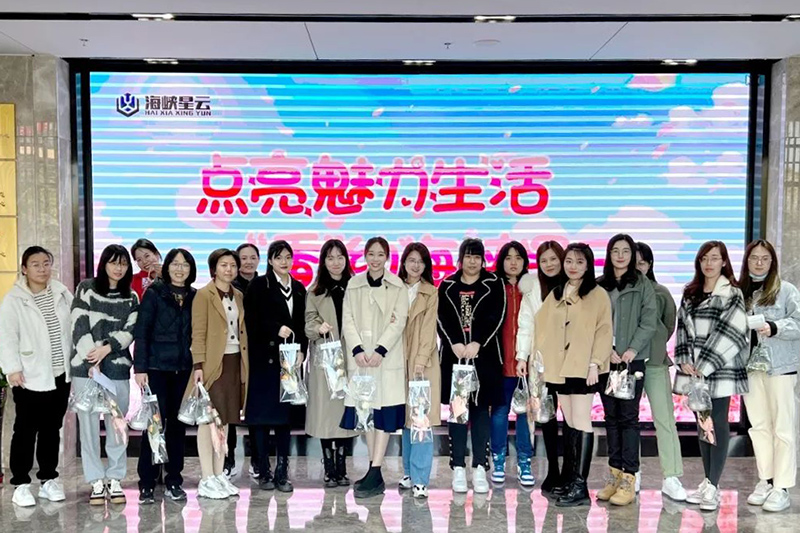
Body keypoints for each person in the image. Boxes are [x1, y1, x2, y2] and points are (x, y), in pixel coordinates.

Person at [534, 243, 612, 507]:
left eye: (579, 262)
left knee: (581, 420)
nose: (573, 266)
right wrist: (541, 362)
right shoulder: (557, 293)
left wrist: (595, 363)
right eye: (569, 261)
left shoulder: (597, 294)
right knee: (570, 421)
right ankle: (571, 481)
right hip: (559, 369)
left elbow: (604, 331)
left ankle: (581, 486)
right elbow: (542, 328)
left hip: (583, 368)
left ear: (588, 265)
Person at [674, 240, 748, 512]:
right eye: (704, 258)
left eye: (714, 258)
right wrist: (684, 359)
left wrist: (704, 365)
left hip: (719, 369)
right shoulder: (691, 292)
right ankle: (707, 481)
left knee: (717, 422)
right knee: (703, 424)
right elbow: (682, 328)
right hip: (695, 373)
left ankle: (714, 486)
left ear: (724, 262)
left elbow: (733, 332)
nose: (709, 263)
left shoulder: (732, 293)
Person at [0, 246, 73, 507]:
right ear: (24, 269)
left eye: (46, 263)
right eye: (35, 264)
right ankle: (20, 484)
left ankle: (48, 479)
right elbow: (7, 336)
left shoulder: (62, 293)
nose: (42, 269)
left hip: (59, 374)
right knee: (25, 430)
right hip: (29, 375)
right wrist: (12, 368)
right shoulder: (14, 299)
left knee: (52, 429)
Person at [71, 244, 139, 505]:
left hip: (117, 367)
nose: (118, 268)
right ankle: (95, 481)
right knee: (88, 425)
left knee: (117, 424)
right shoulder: (86, 288)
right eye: (113, 262)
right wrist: (92, 357)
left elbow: (131, 330)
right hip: (85, 368)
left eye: (123, 263)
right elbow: (79, 323)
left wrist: (107, 349)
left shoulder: (131, 296)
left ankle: (115, 477)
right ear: (104, 264)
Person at [341, 237, 409, 498]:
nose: (375, 259)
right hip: (361, 360)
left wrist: (381, 349)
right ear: (365, 256)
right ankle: (373, 471)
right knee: (366, 413)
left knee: (383, 414)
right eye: (371, 254)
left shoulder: (397, 286)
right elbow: (347, 319)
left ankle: (376, 469)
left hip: (385, 359)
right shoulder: (354, 284)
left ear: (387, 257)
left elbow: (399, 321)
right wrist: (357, 349)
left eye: (381, 254)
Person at [438, 238, 505, 495]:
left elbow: (496, 316)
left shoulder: (493, 283)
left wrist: (478, 342)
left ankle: (479, 467)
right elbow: (441, 318)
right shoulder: (447, 285)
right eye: (468, 256)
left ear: (483, 259)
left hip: (484, 358)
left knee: (480, 412)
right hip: (455, 358)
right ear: (460, 259)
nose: (473, 261)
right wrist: (454, 342)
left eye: (477, 256)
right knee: (457, 412)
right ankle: (457, 467)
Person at [596, 234, 657, 506]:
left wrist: (632, 349)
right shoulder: (599, 285)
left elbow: (649, 321)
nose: (620, 256)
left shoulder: (642, 284)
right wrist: (605, 349)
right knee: (611, 418)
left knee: (629, 418)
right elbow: (593, 322)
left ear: (632, 255)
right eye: (615, 251)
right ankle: (614, 475)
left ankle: (629, 478)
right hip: (607, 361)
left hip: (632, 362)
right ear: (609, 255)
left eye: (625, 251)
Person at [133, 248, 197, 504]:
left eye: (185, 264)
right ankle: (147, 482)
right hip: (157, 370)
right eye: (175, 264)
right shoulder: (154, 293)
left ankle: (173, 480)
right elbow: (142, 332)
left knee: (178, 428)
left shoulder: (195, 296)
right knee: (154, 426)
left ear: (191, 269)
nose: (180, 269)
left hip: (184, 371)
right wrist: (140, 369)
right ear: (167, 267)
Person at [740, 239, 800, 512]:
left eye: (765, 258)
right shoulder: (740, 291)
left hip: (780, 367)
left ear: (772, 261)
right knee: (759, 427)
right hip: (751, 368)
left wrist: (774, 327)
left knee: (783, 428)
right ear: (747, 261)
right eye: (754, 258)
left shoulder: (785, 290)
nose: (759, 262)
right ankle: (765, 480)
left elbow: (798, 322)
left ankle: (782, 487)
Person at [245, 241, 308, 493]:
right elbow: (251, 320)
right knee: (261, 419)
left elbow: (302, 324)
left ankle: (282, 471)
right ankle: (263, 470)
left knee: (284, 419)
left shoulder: (299, 288)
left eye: (288, 257)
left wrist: (302, 349)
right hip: (264, 361)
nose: (284, 262)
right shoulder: (259, 285)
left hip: (289, 363)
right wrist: (274, 329)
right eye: (278, 257)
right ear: (270, 260)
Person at [188, 248, 250, 500]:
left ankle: (218, 473)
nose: (229, 269)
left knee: (224, 421)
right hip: (213, 364)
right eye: (224, 265)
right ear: (214, 268)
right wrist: (198, 365)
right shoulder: (204, 295)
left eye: (232, 265)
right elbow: (198, 332)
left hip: (235, 361)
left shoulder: (238, 295)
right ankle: (206, 477)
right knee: (208, 420)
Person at [635, 242, 686, 502]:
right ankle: (631, 472)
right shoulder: (619, 292)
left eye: (642, 263)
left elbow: (667, 326)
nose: (637, 267)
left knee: (665, 420)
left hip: (655, 363)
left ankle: (671, 476)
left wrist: (653, 346)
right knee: (628, 422)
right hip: (627, 366)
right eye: (633, 263)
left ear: (650, 264)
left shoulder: (661, 293)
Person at [305, 239, 357, 488]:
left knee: (347, 410)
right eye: (330, 258)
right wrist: (318, 327)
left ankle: (342, 465)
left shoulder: (356, 287)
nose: (336, 263)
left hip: (352, 358)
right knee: (326, 413)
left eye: (340, 257)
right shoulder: (315, 291)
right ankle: (329, 466)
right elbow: (308, 324)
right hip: (326, 360)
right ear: (323, 262)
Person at [516, 241, 567, 495]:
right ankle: (553, 470)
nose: (549, 264)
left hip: (570, 361)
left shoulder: (573, 284)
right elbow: (525, 324)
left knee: (572, 419)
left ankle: (571, 471)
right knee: (547, 416)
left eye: (553, 259)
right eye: (544, 260)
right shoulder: (533, 287)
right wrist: (521, 357)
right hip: (541, 362)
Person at [489, 241, 536, 487]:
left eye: (518, 257)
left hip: (527, 362)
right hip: (499, 361)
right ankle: (498, 459)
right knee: (499, 412)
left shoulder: (532, 288)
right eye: (508, 258)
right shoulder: (493, 287)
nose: (513, 262)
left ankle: (524, 461)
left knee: (525, 413)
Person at [397, 242, 441, 499]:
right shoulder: (394, 288)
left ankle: (421, 479)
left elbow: (428, 331)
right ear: (403, 262)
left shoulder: (431, 292)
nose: (415, 265)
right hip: (397, 362)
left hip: (422, 364)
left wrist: (420, 361)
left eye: (420, 261)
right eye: (411, 260)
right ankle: (409, 473)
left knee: (421, 419)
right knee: (406, 420)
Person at [227, 243, 261, 478]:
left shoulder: (264, 285)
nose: (248, 262)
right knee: (230, 408)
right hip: (233, 353)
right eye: (244, 258)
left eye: (252, 257)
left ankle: (257, 459)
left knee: (256, 409)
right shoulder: (228, 287)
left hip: (258, 355)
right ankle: (228, 457)